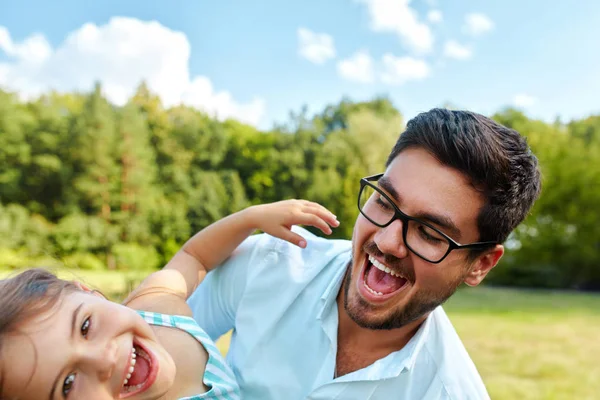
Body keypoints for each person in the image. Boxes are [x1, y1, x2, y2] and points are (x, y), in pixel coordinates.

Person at [187, 108, 543, 400]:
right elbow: (150, 337)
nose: (388, 242)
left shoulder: (449, 391)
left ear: (480, 264)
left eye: (430, 232)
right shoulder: (267, 264)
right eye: (385, 202)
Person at [0, 200, 339, 400]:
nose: (102, 359)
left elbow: (194, 258)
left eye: (86, 326)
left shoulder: (156, 313)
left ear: (88, 292)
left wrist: (251, 218)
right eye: (68, 384)